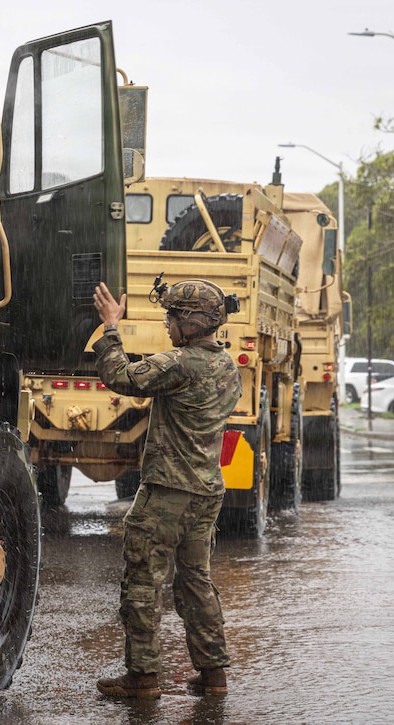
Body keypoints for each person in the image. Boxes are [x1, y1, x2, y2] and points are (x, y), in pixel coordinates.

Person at [91, 278, 242, 699]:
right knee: (196, 581)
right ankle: (213, 674)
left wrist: (110, 327)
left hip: (167, 491)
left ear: (192, 323)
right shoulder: (228, 367)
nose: (168, 323)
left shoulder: (178, 364)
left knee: (142, 580)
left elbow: (120, 377)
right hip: (207, 490)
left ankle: (142, 677)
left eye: (173, 316)